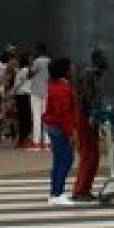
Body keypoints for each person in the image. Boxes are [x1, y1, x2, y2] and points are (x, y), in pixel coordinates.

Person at [72, 49, 110, 201]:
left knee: (93, 154)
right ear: (97, 60)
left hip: (91, 117)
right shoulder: (90, 74)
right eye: (104, 58)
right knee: (88, 153)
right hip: (86, 117)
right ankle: (80, 190)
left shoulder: (97, 75)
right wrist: (93, 115)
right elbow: (87, 97)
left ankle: (85, 188)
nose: (107, 61)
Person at [41, 57, 80, 206]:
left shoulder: (56, 85)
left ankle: (55, 192)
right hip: (59, 127)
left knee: (59, 160)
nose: (73, 69)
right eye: (70, 67)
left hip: (54, 125)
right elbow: (63, 113)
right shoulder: (62, 89)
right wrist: (71, 132)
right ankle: (58, 193)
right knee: (66, 159)